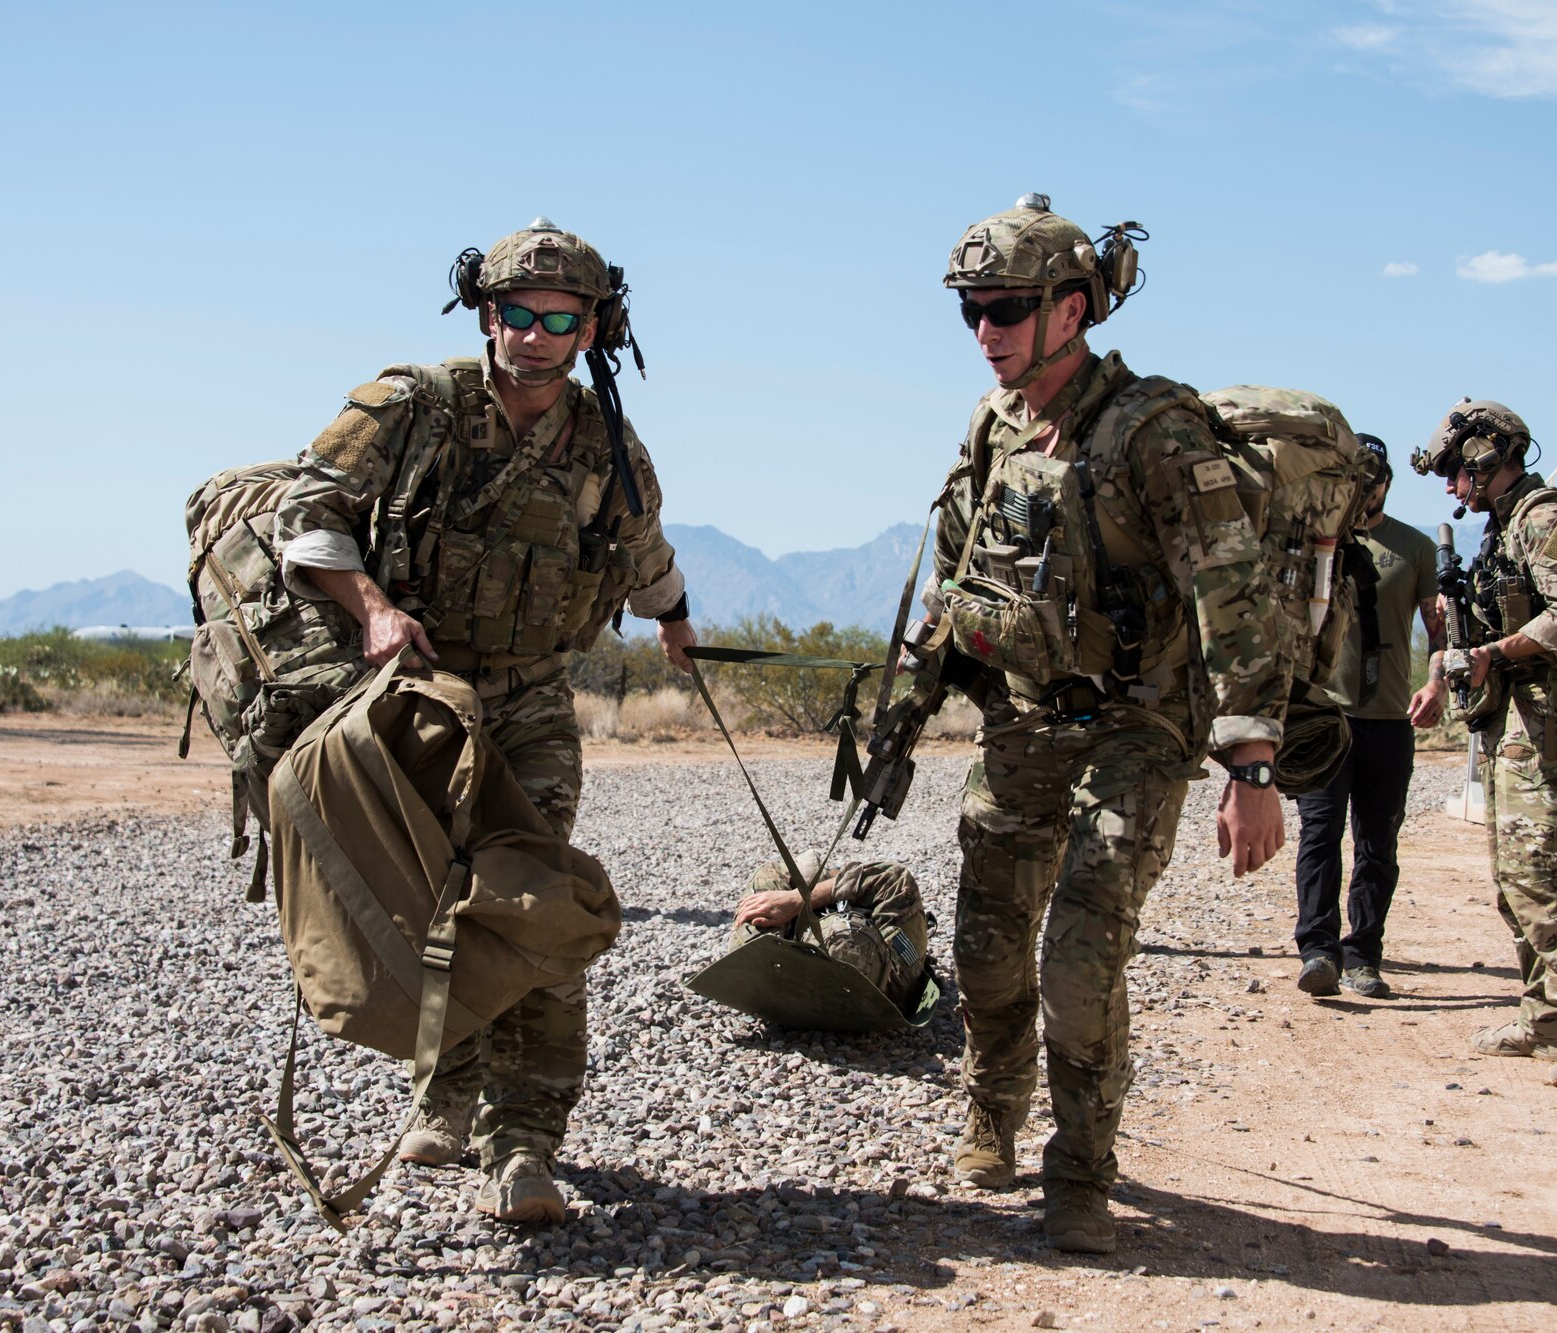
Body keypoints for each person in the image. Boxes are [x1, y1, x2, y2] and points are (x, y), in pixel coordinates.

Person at [273, 219, 698, 1223]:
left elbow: (643, 551)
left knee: (529, 901)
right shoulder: (410, 407)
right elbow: (309, 512)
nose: (536, 335)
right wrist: (373, 608)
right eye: (517, 313)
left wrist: (677, 626)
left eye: (561, 317)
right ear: (485, 311)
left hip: (531, 701)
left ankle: (524, 1139)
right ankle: (443, 1095)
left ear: (595, 327)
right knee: (430, 899)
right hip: (417, 696)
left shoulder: (606, 441)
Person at [927, 195, 1287, 1253]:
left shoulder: (1152, 430)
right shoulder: (990, 426)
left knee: (1079, 956)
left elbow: (1232, 591)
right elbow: (964, 569)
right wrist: (933, 654)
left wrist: (1251, 761)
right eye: (969, 311)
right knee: (986, 948)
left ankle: (1079, 1166)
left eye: (1004, 307)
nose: (985, 329)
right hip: (1023, 722)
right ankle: (990, 1108)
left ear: (1072, 307)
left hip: (1134, 726)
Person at [1408, 399, 1557, 1087]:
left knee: (1539, 869)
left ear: (1487, 455)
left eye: (1455, 472)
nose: (1451, 488)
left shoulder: (1546, 521)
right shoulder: (1504, 529)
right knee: (1512, 877)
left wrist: (1492, 654)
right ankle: (1542, 1014)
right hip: (1517, 722)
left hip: (1552, 723)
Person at [1292, 436, 1442, 1000]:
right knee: (1320, 834)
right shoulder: (1316, 541)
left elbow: (1437, 626)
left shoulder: (1415, 548)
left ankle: (1363, 955)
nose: (1365, 488)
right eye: (1356, 478)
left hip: (1388, 719)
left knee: (1378, 843)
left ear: (1385, 484)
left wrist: (1436, 682)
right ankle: (1317, 950)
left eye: (1373, 479)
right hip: (1324, 718)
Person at [729, 855, 931, 1014]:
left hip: (783, 976)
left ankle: (828, 882)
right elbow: (893, 879)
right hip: (799, 974)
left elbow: (890, 878)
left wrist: (797, 900)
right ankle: (831, 883)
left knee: (790, 873)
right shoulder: (898, 980)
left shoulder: (759, 976)